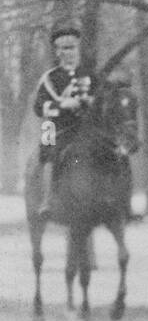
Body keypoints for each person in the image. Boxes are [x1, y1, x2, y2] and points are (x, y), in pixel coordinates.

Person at [32, 25, 95, 220]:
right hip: (55, 126)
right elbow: (38, 107)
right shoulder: (50, 78)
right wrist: (62, 105)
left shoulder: (91, 76)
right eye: (64, 49)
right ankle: (47, 201)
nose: (69, 53)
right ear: (58, 52)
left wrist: (93, 102)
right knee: (49, 152)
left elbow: (103, 99)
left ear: (78, 49)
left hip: (85, 126)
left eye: (72, 48)